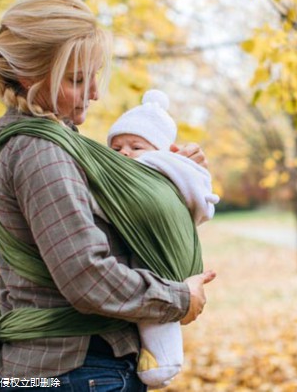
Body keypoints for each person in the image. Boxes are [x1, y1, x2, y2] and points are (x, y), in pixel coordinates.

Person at [0, 0, 215, 392]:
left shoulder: (54, 143)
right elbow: (87, 275)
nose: (95, 93)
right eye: (77, 79)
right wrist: (178, 299)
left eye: (94, 75)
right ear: (30, 77)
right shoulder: (39, 152)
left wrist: (174, 174)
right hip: (74, 371)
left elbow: (119, 220)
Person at [107, 89, 220, 388]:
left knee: (156, 309)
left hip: (158, 255)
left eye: (135, 146)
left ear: (160, 150)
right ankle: (159, 362)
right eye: (116, 147)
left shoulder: (157, 169)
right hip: (152, 255)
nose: (125, 154)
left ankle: (164, 362)